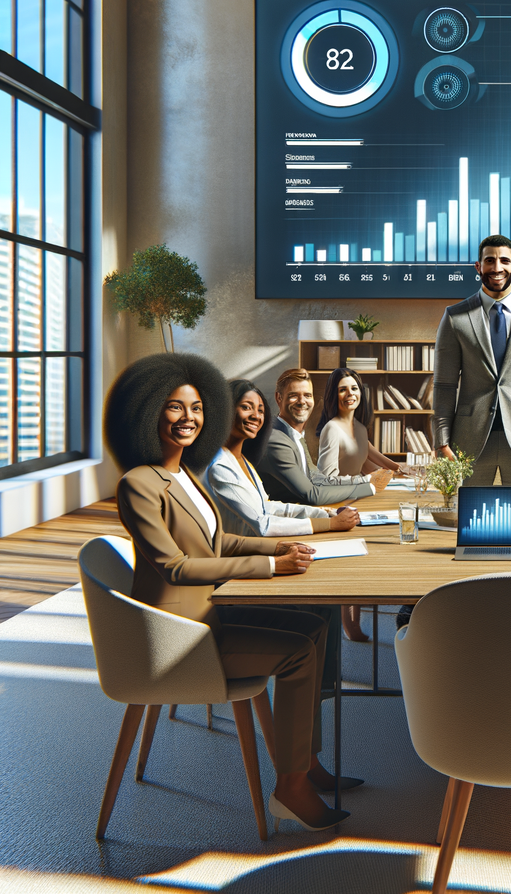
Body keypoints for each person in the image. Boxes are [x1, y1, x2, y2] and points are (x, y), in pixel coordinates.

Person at [105, 353, 351, 831]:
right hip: (178, 635)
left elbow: (218, 541)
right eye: (175, 408)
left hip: (207, 614)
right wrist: (270, 565)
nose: (189, 419)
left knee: (317, 621)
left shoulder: (186, 476)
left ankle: (302, 760)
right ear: (149, 410)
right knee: (300, 650)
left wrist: (278, 544)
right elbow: (175, 567)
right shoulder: (138, 484)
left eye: (197, 409)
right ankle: (291, 784)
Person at [433, 234, 511, 486]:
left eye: (504, 260)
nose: (497, 267)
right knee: (469, 520)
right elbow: (445, 385)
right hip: (469, 439)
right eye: (489, 260)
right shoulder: (454, 317)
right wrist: (441, 441)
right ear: (478, 266)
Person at [207, 379, 360, 538]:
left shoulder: (242, 461)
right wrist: (330, 524)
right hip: (241, 554)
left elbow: (266, 507)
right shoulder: (219, 466)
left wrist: (324, 514)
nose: (256, 416)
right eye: (246, 407)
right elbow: (263, 525)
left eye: (260, 410)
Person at [259, 367, 393, 505]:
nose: (302, 401)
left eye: (307, 395)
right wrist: (369, 487)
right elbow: (312, 495)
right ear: (278, 398)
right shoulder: (276, 440)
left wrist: (364, 480)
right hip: (286, 520)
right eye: (294, 395)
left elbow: (317, 479)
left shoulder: (295, 434)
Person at [315, 368, 403, 479]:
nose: (350, 393)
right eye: (343, 390)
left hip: (359, 492)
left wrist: (404, 470)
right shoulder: (332, 429)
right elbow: (325, 480)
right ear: (333, 395)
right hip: (342, 494)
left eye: (354, 388)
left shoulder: (360, 428)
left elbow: (376, 462)